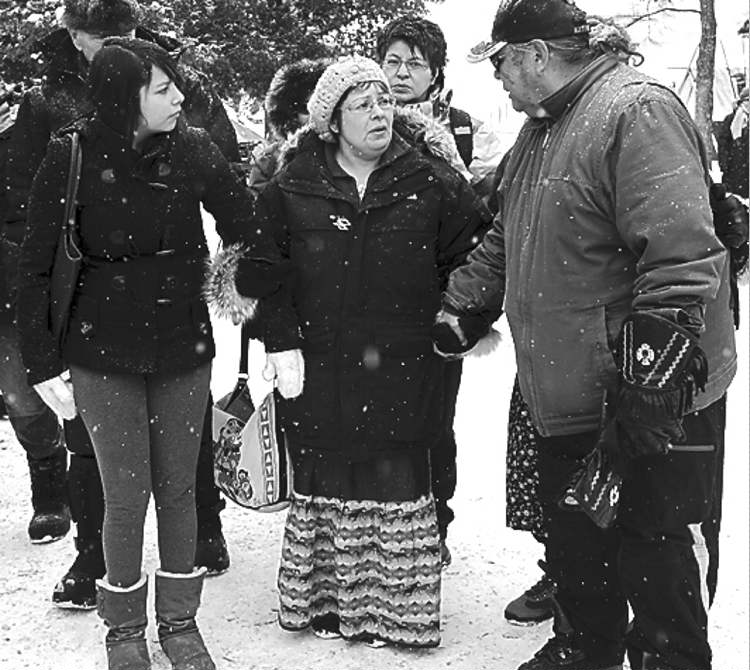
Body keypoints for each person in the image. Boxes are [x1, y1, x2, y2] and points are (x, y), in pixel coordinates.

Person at [435, 1, 736, 668]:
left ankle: (668, 660)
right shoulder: (538, 132)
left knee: (660, 556)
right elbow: (505, 237)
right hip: (566, 392)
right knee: (579, 546)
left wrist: (651, 379)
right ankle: (584, 650)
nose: (498, 78)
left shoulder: (636, 111)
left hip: (652, 400)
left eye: (502, 62)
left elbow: (682, 256)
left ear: (538, 55)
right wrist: (461, 307)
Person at [15, 37, 283, 670]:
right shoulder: (72, 154)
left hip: (181, 343)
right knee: (125, 493)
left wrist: (250, 297)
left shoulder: (191, 148)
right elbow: (34, 266)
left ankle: (180, 622)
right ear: (123, 98)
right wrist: (41, 361)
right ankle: (124, 629)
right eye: (163, 89)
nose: (180, 97)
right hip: (99, 348)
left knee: (180, 490)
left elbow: (249, 228)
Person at [2, 0, 238, 610]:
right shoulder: (49, 106)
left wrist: (237, 278)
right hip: (95, 323)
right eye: (98, 33)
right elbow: (23, 216)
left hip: (177, 322)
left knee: (182, 457)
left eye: (122, 30)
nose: (111, 41)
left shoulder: (176, 85)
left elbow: (230, 184)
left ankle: (199, 548)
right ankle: (96, 561)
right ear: (75, 35)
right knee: (104, 462)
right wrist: (43, 335)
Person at [245, 55, 488, 648]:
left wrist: (458, 320)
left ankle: (397, 613)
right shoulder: (293, 184)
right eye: (362, 105)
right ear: (332, 121)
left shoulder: (431, 180)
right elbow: (262, 268)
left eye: (384, 102)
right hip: (321, 361)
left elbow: (480, 255)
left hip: (407, 363)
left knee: (395, 470)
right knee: (327, 466)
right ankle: (327, 605)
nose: (380, 113)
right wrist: (280, 339)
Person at [375, 14, 503, 565]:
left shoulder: (467, 132)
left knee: (432, 422)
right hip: (362, 301)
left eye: (415, 64)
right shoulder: (352, 122)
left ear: (436, 73)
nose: (401, 74)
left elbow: (493, 210)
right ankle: (374, 525)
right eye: (392, 61)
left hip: (435, 306)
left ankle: (433, 525)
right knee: (364, 420)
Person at [1, 83, 71, 546]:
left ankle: (55, 491)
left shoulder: (30, 123)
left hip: (20, 281)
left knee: (27, 394)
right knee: (20, 396)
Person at [246, 57, 331, 198]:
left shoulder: (349, 153)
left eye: (320, 106)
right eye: (306, 108)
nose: (313, 115)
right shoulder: (269, 161)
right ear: (292, 113)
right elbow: (259, 205)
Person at [715, 86, 749, 199]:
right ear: (742, 102)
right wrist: (724, 165)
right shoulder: (731, 119)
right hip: (734, 168)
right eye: (747, 100)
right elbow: (723, 144)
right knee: (736, 201)